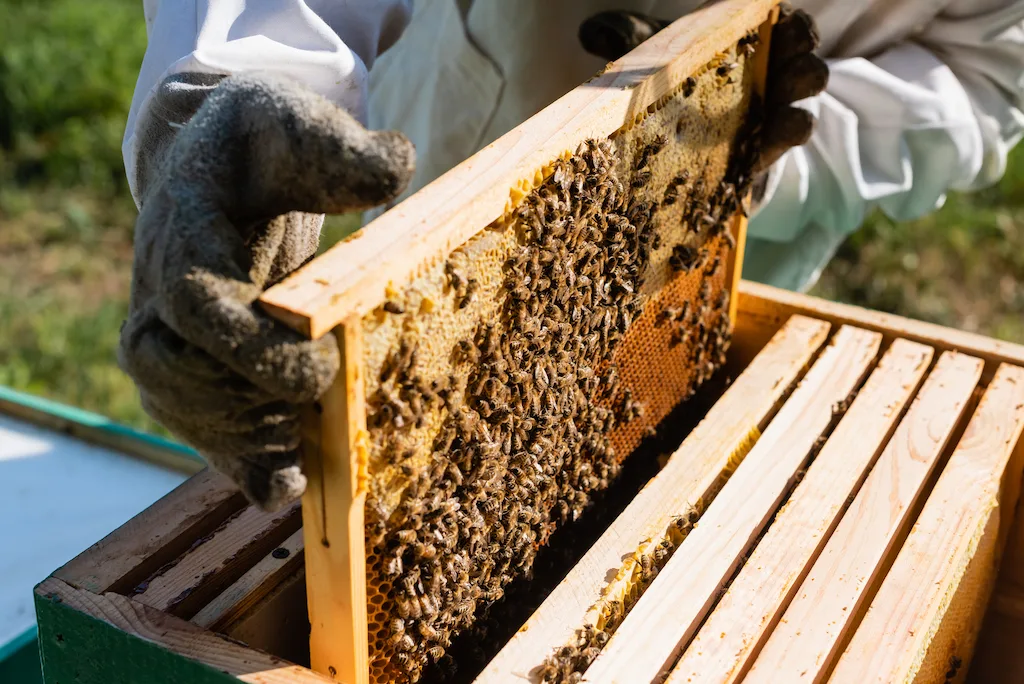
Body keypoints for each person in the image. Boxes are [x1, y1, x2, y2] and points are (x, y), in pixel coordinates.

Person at [118, 1, 1024, 511]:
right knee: (412, 430)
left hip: (717, 255)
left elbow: (983, 69)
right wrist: (219, 92)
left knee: (660, 477)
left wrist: (762, 146)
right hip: (472, 126)